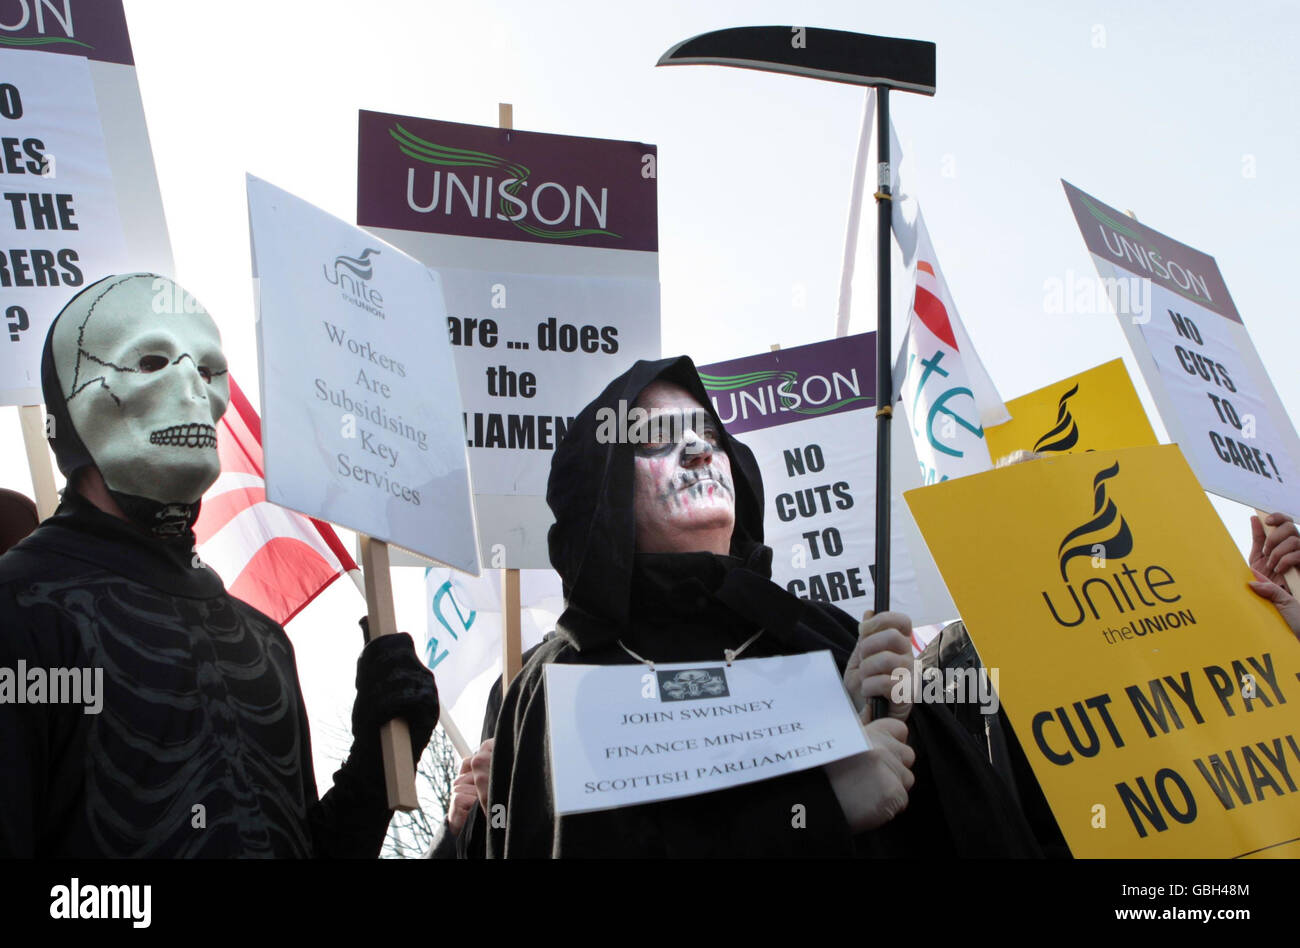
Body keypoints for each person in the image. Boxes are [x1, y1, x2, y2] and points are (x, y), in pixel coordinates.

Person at [485, 356, 1040, 858]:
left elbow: (978, 829)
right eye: (655, 437)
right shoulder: (559, 680)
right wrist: (817, 810)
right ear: (603, 486)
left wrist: (883, 724)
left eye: (709, 434)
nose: (700, 451)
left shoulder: (822, 634)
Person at [0, 273, 438, 857]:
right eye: (151, 361)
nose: (192, 388)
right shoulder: (19, 611)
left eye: (208, 371)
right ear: (76, 398)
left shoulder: (262, 641)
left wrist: (378, 767)